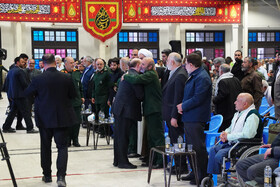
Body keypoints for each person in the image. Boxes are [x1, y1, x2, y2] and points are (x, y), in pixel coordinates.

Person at [25, 54, 76, 187]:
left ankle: (47, 175)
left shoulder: (38, 78)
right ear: (55, 62)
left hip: (44, 117)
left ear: (43, 63)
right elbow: (73, 95)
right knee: (62, 147)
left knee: (45, 147)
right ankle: (61, 177)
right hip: (63, 117)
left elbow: (27, 94)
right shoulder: (67, 77)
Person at [124, 57, 165, 168]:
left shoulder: (151, 74)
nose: (140, 66)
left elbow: (136, 80)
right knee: (151, 136)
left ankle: (160, 161)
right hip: (150, 109)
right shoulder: (149, 73)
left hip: (154, 110)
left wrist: (125, 76)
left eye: (143, 64)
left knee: (157, 136)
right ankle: (152, 159)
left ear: (150, 66)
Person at [177, 53, 211, 185]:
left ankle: (201, 175)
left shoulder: (202, 77)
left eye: (186, 64)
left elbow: (198, 98)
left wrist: (183, 106)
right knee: (191, 148)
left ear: (191, 65)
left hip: (196, 117)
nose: (185, 67)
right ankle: (194, 172)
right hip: (190, 116)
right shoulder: (196, 75)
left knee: (198, 148)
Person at [207, 93, 261, 175]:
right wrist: (225, 133)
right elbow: (230, 128)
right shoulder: (238, 113)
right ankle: (212, 176)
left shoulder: (252, 115)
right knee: (213, 150)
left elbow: (248, 135)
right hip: (233, 142)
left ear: (245, 104)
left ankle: (222, 176)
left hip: (244, 144)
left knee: (219, 155)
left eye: (237, 101)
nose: (234, 102)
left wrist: (228, 136)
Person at [112, 58, 144, 169]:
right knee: (123, 137)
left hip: (119, 109)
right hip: (125, 110)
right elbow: (140, 95)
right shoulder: (134, 76)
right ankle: (122, 162)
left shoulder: (127, 74)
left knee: (119, 136)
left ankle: (117, 160)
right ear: (138, 65)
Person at [162, 52, 188, 173]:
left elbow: (178, 98)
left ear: (172, 62)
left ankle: (180, 166)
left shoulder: (180, 75)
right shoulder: (174, 73)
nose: (166, 63)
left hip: (175, 115)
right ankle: (177, 164)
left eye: (167, 61)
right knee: (174, 140)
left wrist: (174, 116)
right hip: (170, 113)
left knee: (177, 140)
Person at [2, 56, 38, 134]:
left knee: (13, 111)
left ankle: (6, 127)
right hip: (21, 95)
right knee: (26, 112)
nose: (24, 63)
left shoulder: (11, 71)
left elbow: (7, 83)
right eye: (22, 62)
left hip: (14, 95)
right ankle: (30, 128)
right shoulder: (20, 71)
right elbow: (24, 84)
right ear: (17, 63)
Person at [62, 56, 84, 147]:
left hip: (76, 102)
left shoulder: (77, 73)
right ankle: (67, 140)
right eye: (71, 63)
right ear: (65, 64)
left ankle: (75, 139)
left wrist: (82, 97)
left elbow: (80, 87)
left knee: (77, 122)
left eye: (73, 63)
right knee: (67, 122)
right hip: (66, 103)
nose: (73, 65)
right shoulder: (61, 74)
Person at [213, 64, 242, 131]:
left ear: (221, 72)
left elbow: (222, 95)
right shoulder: (236, 79)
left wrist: (214, 100)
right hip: (235, 107)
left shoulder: (222, 81)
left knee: (224, 129)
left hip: (225, 110)